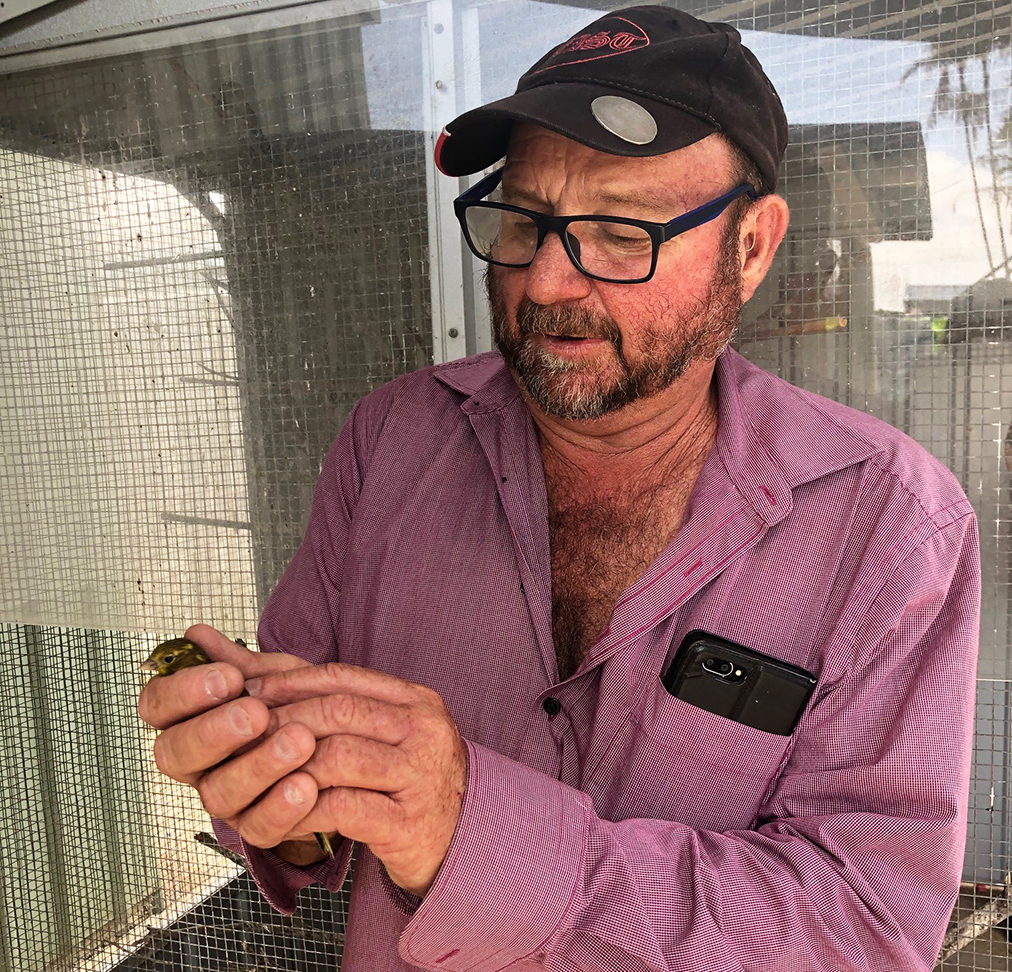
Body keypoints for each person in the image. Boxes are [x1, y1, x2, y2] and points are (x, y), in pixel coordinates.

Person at [138, 7, 980, 971]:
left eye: (620, 232)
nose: (544, 283)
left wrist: (474, 830)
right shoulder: (390, 443)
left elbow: (866, 934)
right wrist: (272, 797)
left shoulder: (891, 528)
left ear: (751, 247)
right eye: (524, 221)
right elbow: (312, 819)